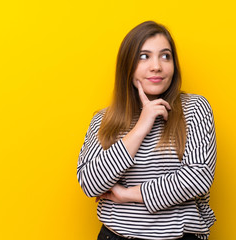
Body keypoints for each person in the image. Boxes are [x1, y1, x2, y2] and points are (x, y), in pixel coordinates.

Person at [77, 21, 217, 240]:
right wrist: (142, 126)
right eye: (144, 56)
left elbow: (197, 177)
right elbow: (90, 183)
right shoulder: (103, 119)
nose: (156, 66)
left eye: (165, 56)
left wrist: (128, 194)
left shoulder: (194, 108)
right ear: (128, 65)